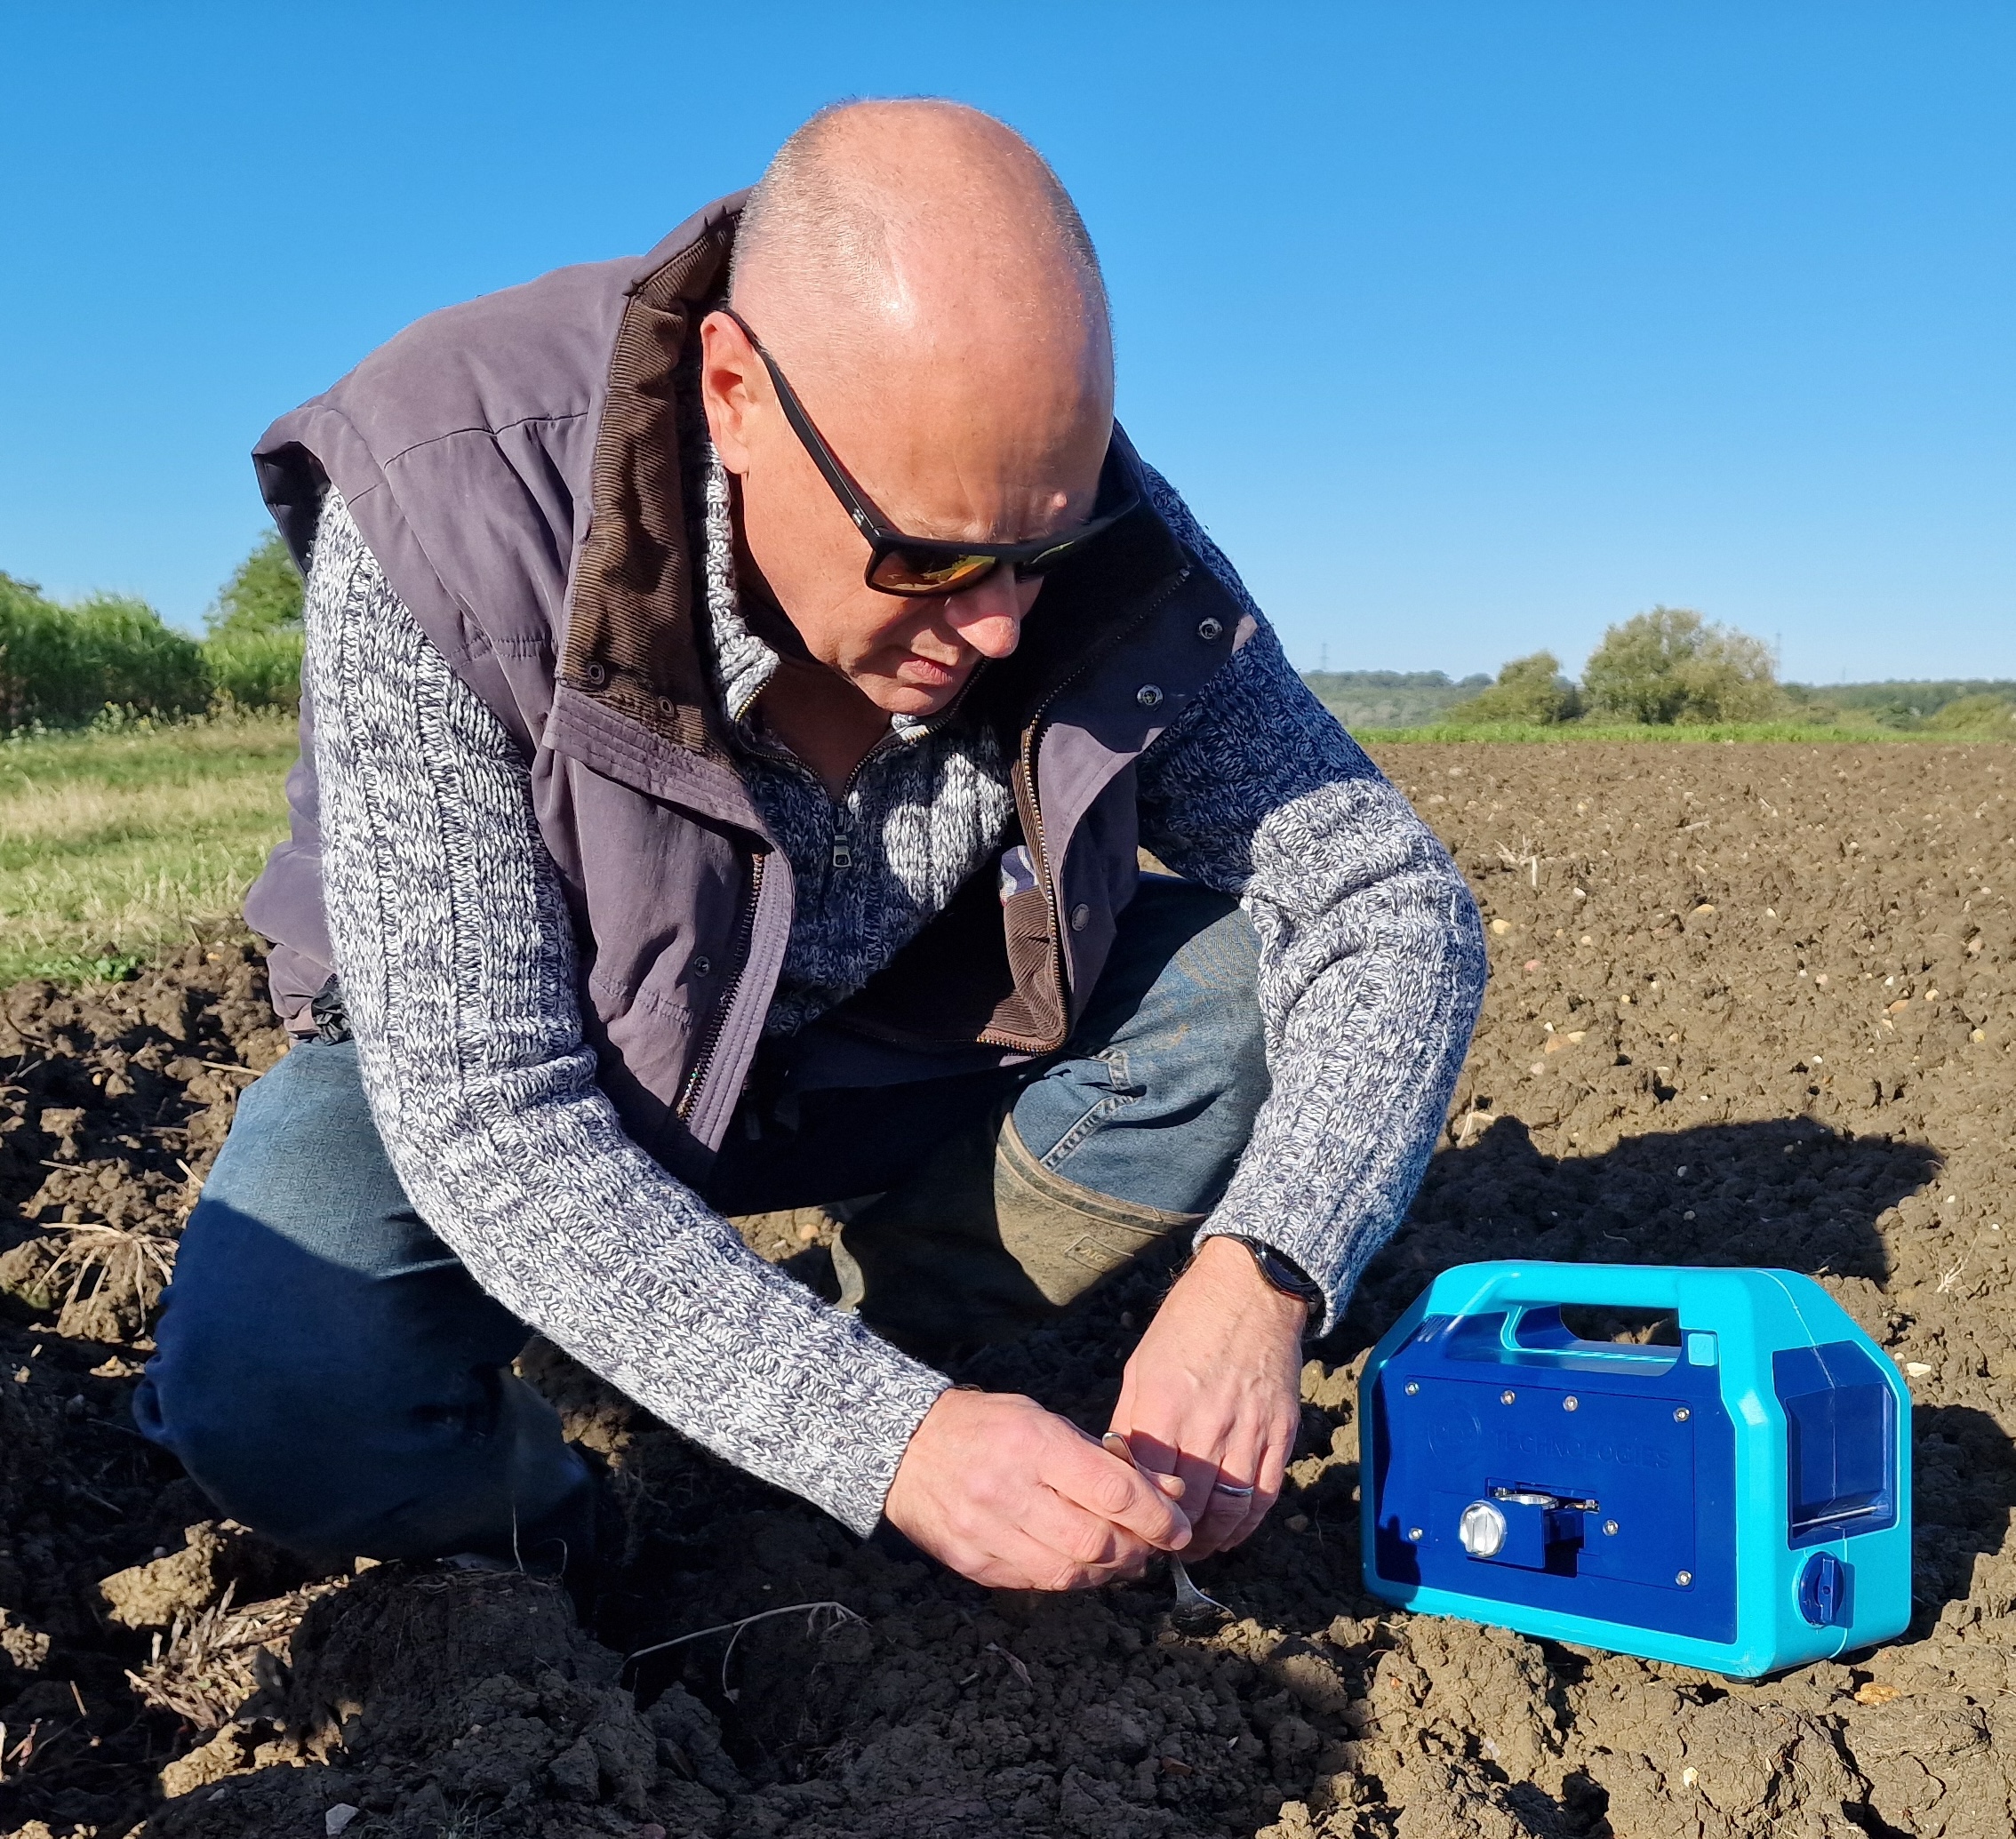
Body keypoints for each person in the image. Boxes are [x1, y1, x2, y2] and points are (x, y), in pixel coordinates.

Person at [133, 100, 1485, 1595]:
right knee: (282, 1382)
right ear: (733, 396)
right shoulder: (450, 498)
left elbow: (1385, 896)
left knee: (1243, 997)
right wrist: (883, 1441)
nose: (998, 626)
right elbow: (493, 1120)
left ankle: (862, 1342)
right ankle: (570, 1524)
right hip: (542, 1059)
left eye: (1039, 553)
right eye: (929, 555)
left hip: (867, 1043)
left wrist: (1264, 1271)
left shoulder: (1082, 520)